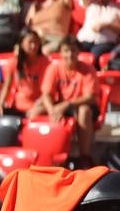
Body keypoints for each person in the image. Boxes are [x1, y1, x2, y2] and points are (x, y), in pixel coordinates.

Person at [40, 36, 99, 165]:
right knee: (38, 108)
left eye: (73, 50)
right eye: (66, 50)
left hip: (82, 105)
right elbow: (46, 94)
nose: (70, 54)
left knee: (84, 111)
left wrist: (66, 104)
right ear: (60, 53)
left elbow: (90, 97)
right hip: (62, 105)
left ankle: (85, 157)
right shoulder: (54, 68)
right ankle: (45, 156)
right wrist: (52, 111)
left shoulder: (88, 69)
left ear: (78, 52)